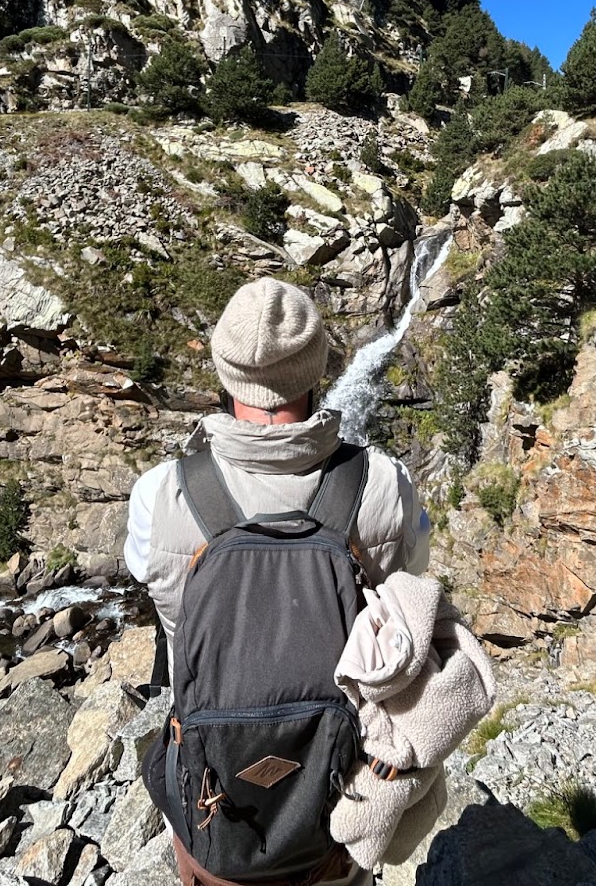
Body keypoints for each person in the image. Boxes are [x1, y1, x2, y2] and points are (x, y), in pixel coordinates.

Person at [124, 276, 431, 886]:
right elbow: (408, 607)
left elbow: (168, 612)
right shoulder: (384, 487)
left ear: (225, 371)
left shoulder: (160, 494)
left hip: (216, 809)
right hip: (338, 807)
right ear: (318, 366)